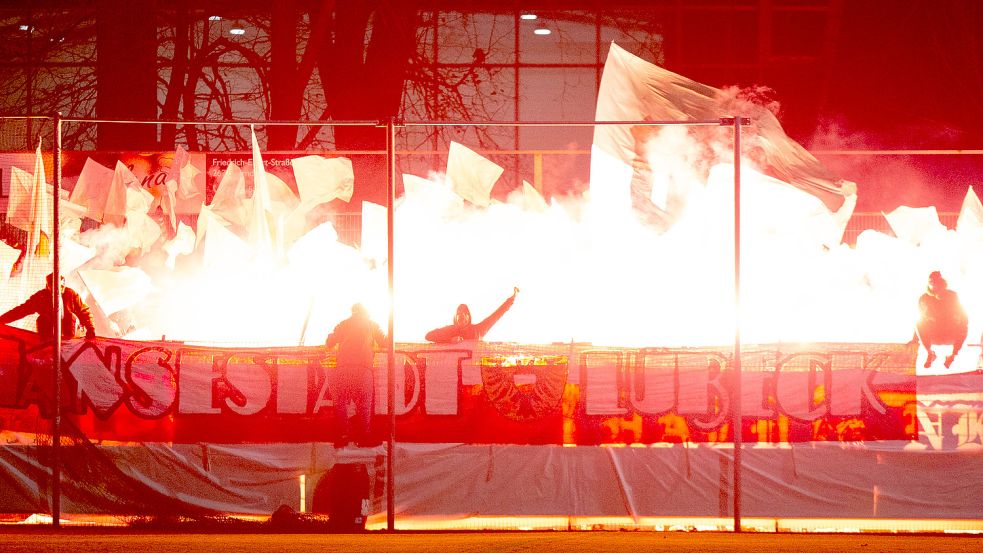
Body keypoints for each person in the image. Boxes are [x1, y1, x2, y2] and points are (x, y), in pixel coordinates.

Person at [325, 303, 386, 448]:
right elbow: (384, 342)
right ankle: (364, 437)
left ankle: (342, 436)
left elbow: (329, 343)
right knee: (365, 403)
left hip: (343, 368)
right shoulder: (371, 325)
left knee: (340, 404)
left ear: (353, 312)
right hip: (363, 368)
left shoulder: (343, 324)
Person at [0, 273, 96, 341]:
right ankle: (45, 345)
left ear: (64, 285)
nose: (58, 289)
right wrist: (2, 320)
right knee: (43, 319)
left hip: (70, 334)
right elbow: (22, 310)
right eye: (54, 286)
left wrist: (90, 328)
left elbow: (84, 311)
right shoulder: (41, 297)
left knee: (71, 317)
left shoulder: (71, 294)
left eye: (61, 286)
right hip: (49, 333)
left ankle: (68, 342)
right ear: (48, 286)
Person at [425, 287, 518, 344]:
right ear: (455, 318)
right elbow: (429, 336)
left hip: (475, 373)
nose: (462, 315)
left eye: (465, 313)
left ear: (469, 317)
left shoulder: (478, 330)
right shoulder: (450, 330)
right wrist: (450, 339)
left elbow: (497, 314)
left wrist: (512, 299)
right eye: (459, 313)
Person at [916, 271, 968, 369]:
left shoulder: (952, 296)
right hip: (933, 335)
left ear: (942, 283)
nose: (934, 285)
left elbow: (963, 316)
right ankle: (930, 354)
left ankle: (952, 355)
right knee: (919, 323)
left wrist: (958, 322)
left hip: (950, 333)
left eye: (937, 282)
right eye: (932, 282)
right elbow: (920, 320)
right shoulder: (924, 298)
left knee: (964, 325)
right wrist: (915, 338)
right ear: (929, 283)